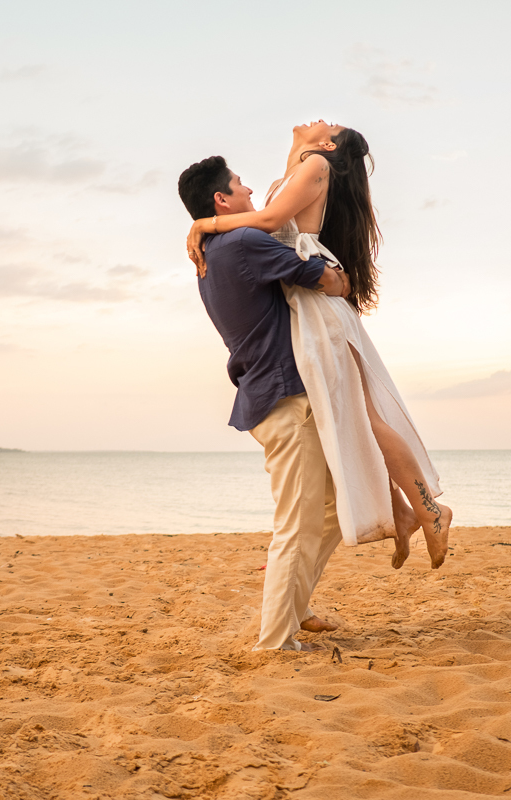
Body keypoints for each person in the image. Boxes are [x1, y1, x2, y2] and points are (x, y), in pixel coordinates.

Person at [186, 121, 452, 571]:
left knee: (365, 416)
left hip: (317, 305)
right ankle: (404, 513)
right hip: (304, 307)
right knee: (346, 420)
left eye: (328, 125)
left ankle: (430, 509)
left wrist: (204, 223)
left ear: (328, 145)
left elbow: (268, 223)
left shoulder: (316, 165)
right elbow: (266, 224)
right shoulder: (295, 170)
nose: (316, 121)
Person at [177, 155, 351, 652]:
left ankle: (295, 607)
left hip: (271, 395)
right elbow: (325, 278)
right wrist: (341, 279)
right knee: (296, 524)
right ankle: (275, 642)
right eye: (240, 184)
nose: (250, 190)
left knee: (334, 509)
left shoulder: (214, 250)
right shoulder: (242, 243)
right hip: (285, 398)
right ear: (221, 200)